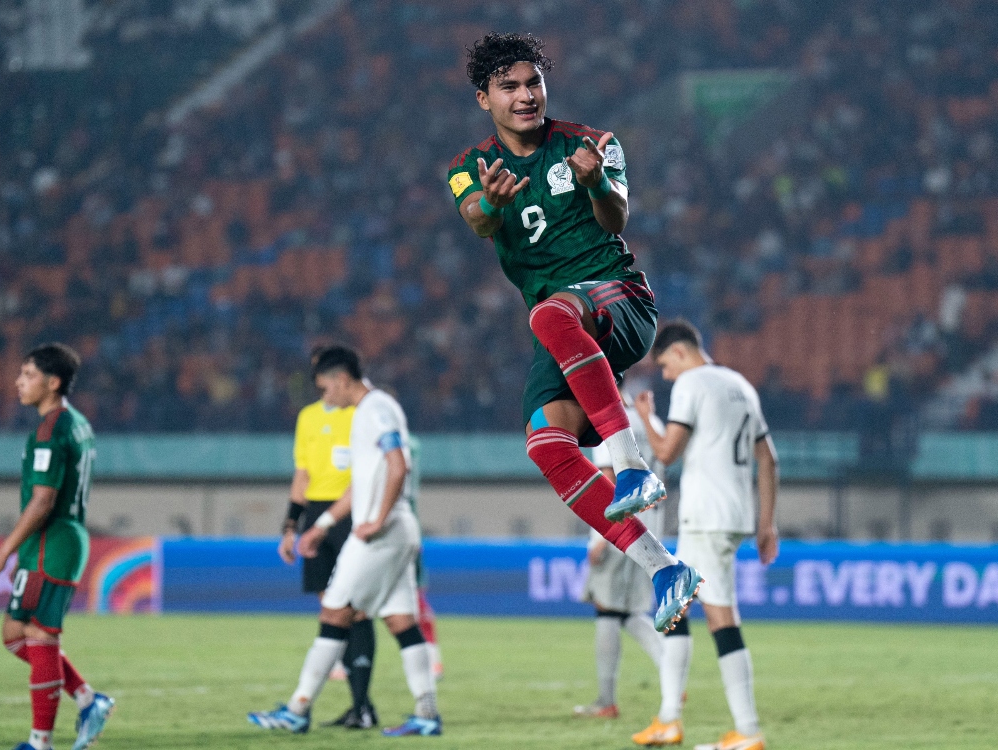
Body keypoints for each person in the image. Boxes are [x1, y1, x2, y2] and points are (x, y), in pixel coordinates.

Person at [448, 32, 700, 634]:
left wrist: (593, 183)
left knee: (549, 314)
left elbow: (617, 217)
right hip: (562, 328)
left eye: (533, 82)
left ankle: (631, 465)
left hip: (618, 300)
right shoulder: (469, 168)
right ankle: (663, 568)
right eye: (509, 86)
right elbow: (477, 220)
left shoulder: (590, 143)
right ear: (485, 98)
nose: (525, 95)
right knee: (546, 444)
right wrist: (488, 200)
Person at [248, 347, 442, 737]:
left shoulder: (375, 408)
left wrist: (377, 519)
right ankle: (427, 714)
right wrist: (321, 524)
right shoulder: (367, 412)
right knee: (401, 620)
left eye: (326, 388)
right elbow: (362, 482)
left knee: (334, 612)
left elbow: (398, 464)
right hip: (395, 530)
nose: (325, 397)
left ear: (341, 379)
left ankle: (297, 709)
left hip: (381, 533)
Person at [631, 320, 779, 750]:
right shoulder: (741, 386)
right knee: (677, 605)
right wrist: (766, 523)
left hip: (706, 516)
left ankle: (746, 730)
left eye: (664, 365)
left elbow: (665, 452)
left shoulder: (693, 385)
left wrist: (645, 416)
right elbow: (768, 460)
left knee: (718, 617)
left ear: (679, 353)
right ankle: (668, 719)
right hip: (734, 515)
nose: (665, 375)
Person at [0, 343, 114, 750]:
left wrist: (2, 553)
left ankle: (40, 742)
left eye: (28, 375)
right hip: (49, 543)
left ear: (53, 383)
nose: (19, 381)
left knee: (38, 635)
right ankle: (88, 699)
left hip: (55, 542)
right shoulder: (77, 423)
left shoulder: (51, 430)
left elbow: (43, 500)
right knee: (15, 633)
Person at [278, 345, 377, 729]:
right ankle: (361, 706)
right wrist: (291, 525)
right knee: (330, 605)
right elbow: (302, 474)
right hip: (317, 513)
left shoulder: (363, 413)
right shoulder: (308, 417)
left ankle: (360, 705)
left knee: (357, 607)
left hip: (354, 511)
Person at [574, 391, 667, 719]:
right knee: (629, 611)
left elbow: (608, 482)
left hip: (617, 526)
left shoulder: (606, 422)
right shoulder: (650, 421)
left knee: (607, 608)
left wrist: (599, 536)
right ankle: (671, 674)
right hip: (649, 527)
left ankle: (606, 701)